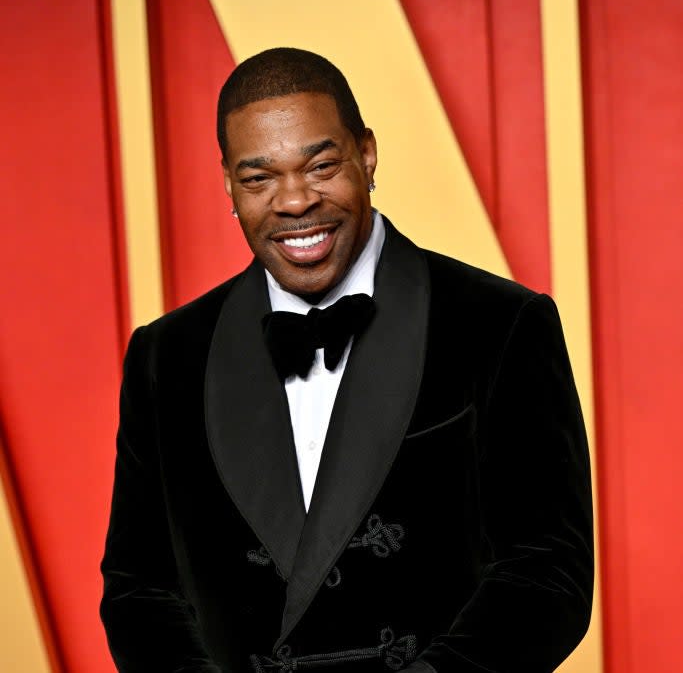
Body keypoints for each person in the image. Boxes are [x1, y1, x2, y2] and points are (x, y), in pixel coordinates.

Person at [100, 47, 593, 673]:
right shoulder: (165, 355)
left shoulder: (501, 324)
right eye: (259, 179)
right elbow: (137, 589)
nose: (295, 201)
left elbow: (549, 572)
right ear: (228, 184)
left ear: (367, 154)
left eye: (321, 165)